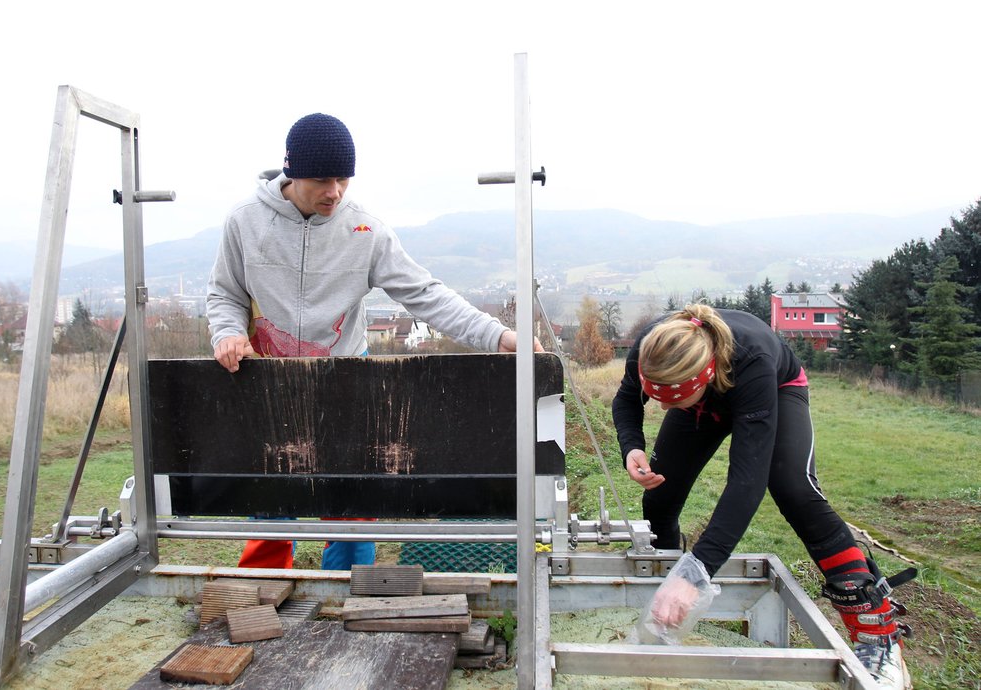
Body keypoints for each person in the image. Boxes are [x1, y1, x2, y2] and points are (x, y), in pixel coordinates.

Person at [207, 112, 540, 572]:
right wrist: (226, 333)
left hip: (346, 380)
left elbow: (424, 294)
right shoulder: (245, 222)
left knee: (351, 495)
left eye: (344, 179)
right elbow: (225, 292)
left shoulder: (365, 231)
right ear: (292, 172)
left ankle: (345, 587)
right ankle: (260, 587)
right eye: (322, 180)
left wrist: (497, 335)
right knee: (270, 493)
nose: (335, 192)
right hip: (270, 382)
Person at [611, 304, 914, 689]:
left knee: (793, 490)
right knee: (660, 495)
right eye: (658, 399)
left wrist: (697, 572)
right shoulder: (652, 347)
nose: (663, 409)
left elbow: (746, 481)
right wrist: (631, 447)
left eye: (669, 400)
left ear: (701, 378)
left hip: (774, 387)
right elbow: (626, 400)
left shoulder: (752, 358)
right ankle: (663, 597)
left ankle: (878, 635)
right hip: (701, 395)